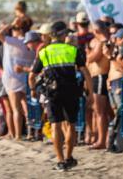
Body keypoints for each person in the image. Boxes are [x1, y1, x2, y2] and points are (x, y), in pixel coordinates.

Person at [29, 21, 91, 172]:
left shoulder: (44, 52)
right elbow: (86, 73)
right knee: (71, 125)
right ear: (62, 35)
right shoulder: (72, 50)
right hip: (71, 91)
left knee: (56, 125)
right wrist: (90, 92)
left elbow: (32, 75)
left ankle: (60, 161)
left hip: (52, 92)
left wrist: (33, 90)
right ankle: (69, 157)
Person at [86, 21, 111, 150]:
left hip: (101, 76)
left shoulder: (102, 41)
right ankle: (103, 139)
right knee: (102, 111)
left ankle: (101, 141)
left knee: (100, 111)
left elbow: (91, 58)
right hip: (99, 77)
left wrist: (88, 52)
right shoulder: (103, 41)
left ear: (96, 31)